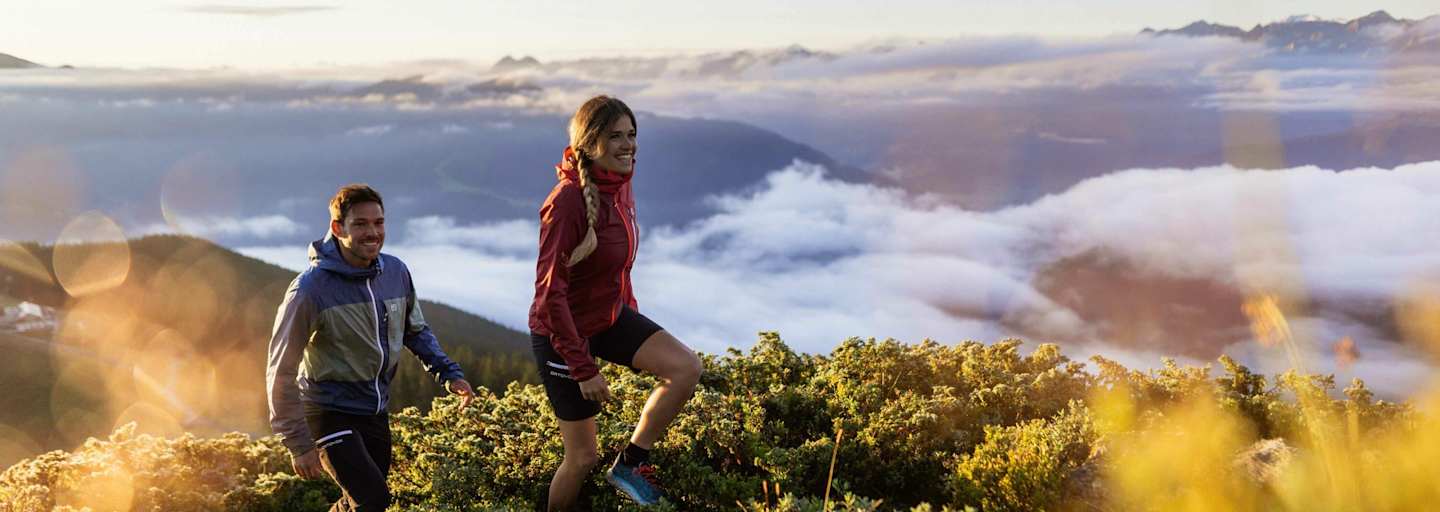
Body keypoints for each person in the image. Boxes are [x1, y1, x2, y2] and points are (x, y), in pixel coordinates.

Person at [530, 95, 704, 509]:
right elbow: (550, 296)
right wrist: (583, 367)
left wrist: (631, 322)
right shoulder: (567, 201)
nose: (628, 146)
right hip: (562, 334)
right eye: (615, 136)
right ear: (590, 143)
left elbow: (616, 267)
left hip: (608, 316)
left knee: (685, 367)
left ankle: (630, 463)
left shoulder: (619, 184)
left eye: (631, 135)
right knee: (581, 457)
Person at [267, 184, 476, 511]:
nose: (373, 232)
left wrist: (448, 373)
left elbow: (415, 330)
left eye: (378, 223)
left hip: (374, 409)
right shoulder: (309, 290)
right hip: (327, 410)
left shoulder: (396, 272)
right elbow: (280, 370)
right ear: (338, 228)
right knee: (373, 499)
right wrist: (298, 443)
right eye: (361, 224)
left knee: (359, 502)